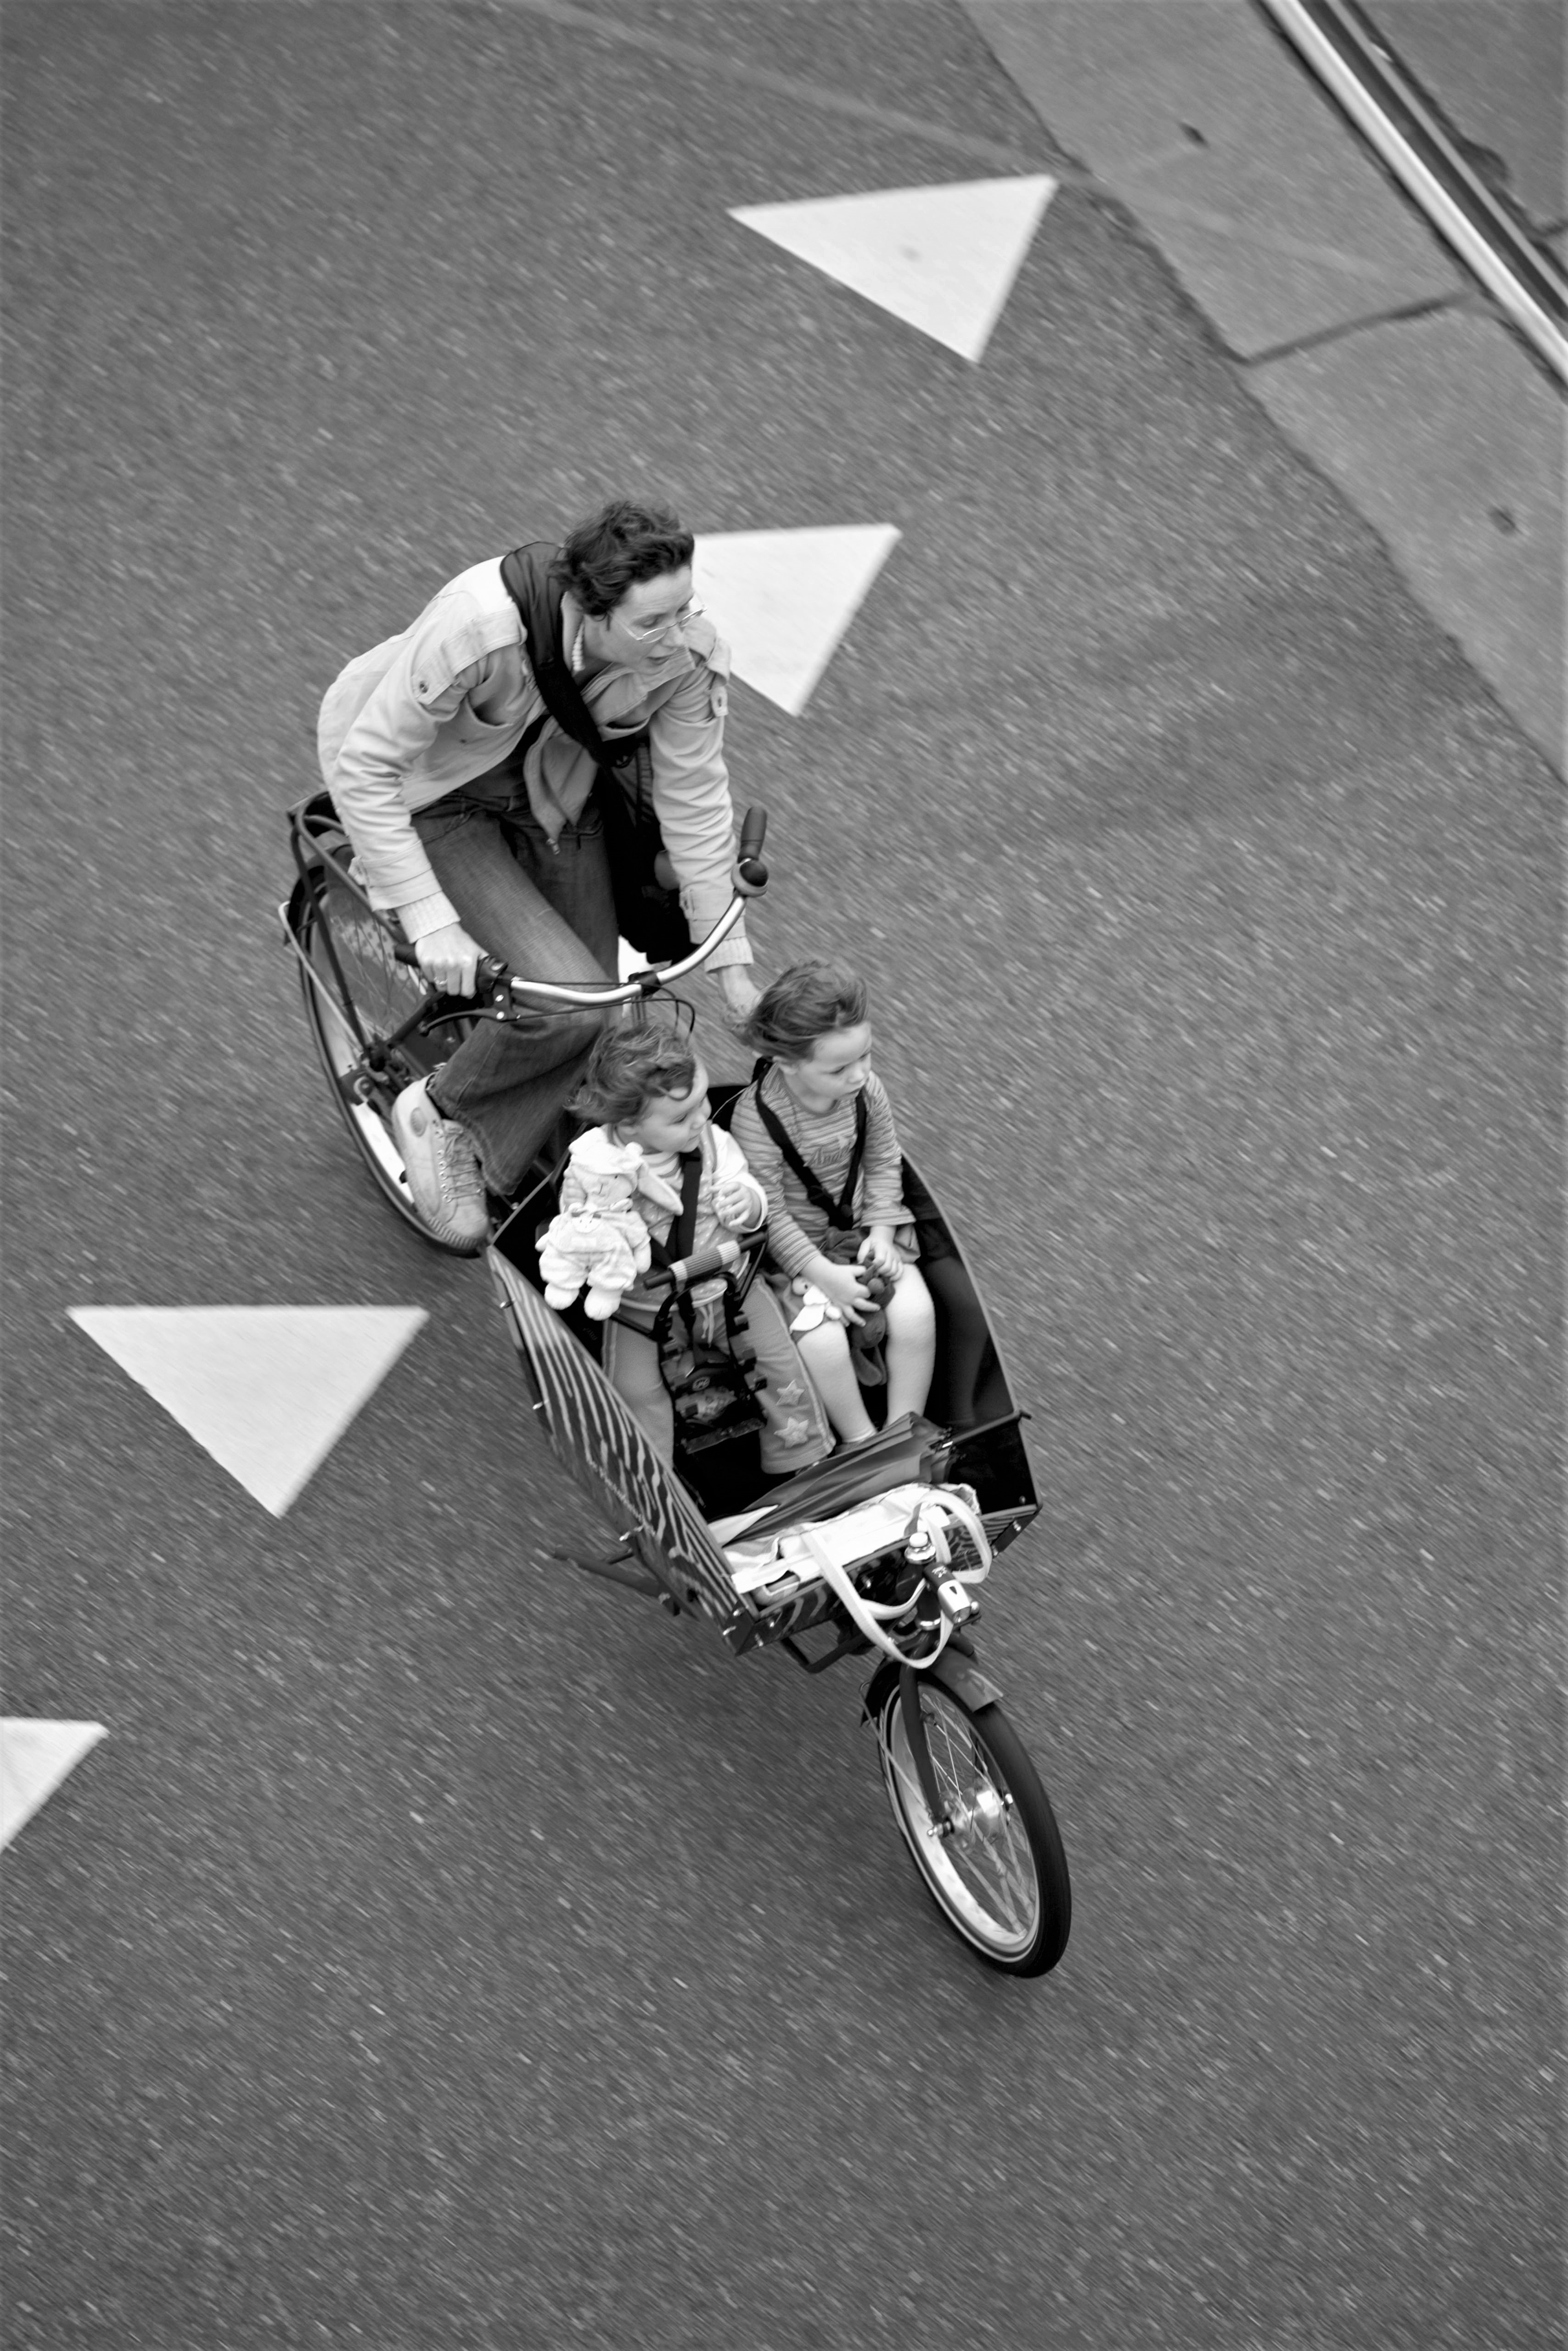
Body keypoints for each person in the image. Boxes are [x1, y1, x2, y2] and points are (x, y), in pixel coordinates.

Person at [315, 499, 761, 1249]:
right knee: (571, 1010)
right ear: (589, 609)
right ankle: (441, 1114)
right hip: (433, 795)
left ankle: (578, 1179)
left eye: (684, 609)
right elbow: (367, 769)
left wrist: (733, 969)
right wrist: (431, 920)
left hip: (553, 788)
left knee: (602, 1013)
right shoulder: (478, 627)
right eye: (651, 622)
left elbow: (696, 803)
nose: (675, 636)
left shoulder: (686, 656)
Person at [565, 1027, 832, 1475]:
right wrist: (596, 1237)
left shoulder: (712, 1142)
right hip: (643, 1307)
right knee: (635, 1391)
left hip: (730, 1289)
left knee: (779, 1366)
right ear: (628, 1125)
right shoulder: (593, 1168)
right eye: (680, 1117)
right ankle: (652, 1481)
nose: (700, 1119)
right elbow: (575, 1233)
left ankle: (802, 1459)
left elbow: (748, 1188)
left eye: (702, 1101)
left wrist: (748, 1204)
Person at [729, 963, 937, 1447]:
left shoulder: (866, 1092)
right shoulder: (757, 1118)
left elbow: (884, 1162)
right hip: (796, 1257)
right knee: (822, 1343)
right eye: (840, 1069)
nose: (860, 1074)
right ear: (787, 1063)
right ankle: (860, 1442)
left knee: (916, 1314)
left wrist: (881, 1235)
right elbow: (770, 1214)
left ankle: (903, 1434)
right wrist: (823, 1274)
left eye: (866, 1055)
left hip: (864, 1233)